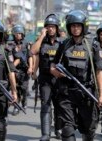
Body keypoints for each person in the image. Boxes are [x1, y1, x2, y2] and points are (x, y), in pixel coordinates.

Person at [50, 10, 102, 141]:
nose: (75, 29)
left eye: (78, 26)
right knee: (67, 130)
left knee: (88, 130)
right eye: (73, 26)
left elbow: (99, 71)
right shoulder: (64, 44)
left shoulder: (93, 45)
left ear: (83, 27)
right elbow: (53, 65)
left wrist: (101, 95)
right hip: (67, 92)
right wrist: (56, 73)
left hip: (86, 92)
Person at [30, 13, 62, 141]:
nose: (50, 29)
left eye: (53, 27)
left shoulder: (62, 43)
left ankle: (58, 129)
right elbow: (33, 52)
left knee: (59, 106)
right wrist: (41, 36)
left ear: (57, 28)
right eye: (48, 27)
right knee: (45, 105)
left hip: (59, 79)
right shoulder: (41, 42)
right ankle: (46, 133)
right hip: (45, 78)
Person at [11, 24, 33, 115]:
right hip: (15, 70)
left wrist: (31, 67)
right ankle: (16, 106)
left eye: (20, 33)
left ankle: (24, 104)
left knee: (24, 88)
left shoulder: (27, 44)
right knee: (15, 89)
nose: (18, 35)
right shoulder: (10, 44)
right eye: (16, 33)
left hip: (24, 70)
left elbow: (30, 56)